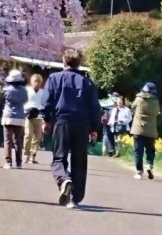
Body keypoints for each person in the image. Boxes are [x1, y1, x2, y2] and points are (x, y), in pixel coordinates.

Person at [43, 48, 101, 209]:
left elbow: (47, 101)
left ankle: (64, 179)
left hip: (62, 120)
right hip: (82, 123)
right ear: (79, 63)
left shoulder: (55, 78)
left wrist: (46, 119)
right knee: (79, 161)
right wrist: (94, 128)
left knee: (59, 157)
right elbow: (95, 108)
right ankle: (75, 198)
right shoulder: (88, 83)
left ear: (64, 61)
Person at [131, 82, 160, 180]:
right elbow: (157, 112)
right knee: (150, 150)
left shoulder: (138, 99)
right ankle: (149, 165)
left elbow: (132, 107)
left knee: (138, 151)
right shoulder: (155, 101)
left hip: (138, 129)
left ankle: (139, 172)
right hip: (151, 131)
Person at [1, 69, 28, 169]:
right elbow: (25, 100)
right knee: (18, 141)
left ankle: (8, 162)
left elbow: (2, 101)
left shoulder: (6, 90)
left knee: (7, 140)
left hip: (8, 116)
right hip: (20, 117)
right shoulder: (24, 91)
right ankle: (19, 162)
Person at [24, 73, 46, 164]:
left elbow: (45, 104)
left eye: (38, 81)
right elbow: (23, 101)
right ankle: (26, 155)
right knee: (28, 135)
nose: (36, 83)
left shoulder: (43, 92)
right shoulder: (27, 90)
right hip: (29, 115)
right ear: (31, 82)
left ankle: (33, 156)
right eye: (35, 81)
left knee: (37, 137)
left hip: (39, 115)